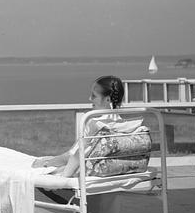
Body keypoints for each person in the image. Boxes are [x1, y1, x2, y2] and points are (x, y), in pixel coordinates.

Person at [32, 75, 125, 204]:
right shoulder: (124, 122)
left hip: (88, 171)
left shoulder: (94, 122)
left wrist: (47, 162)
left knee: (35, 171)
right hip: (117, 169)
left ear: (107, 98)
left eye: (93, 96)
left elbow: (73, 155)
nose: (89, 99)